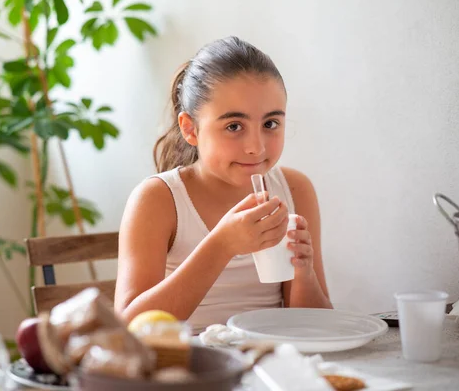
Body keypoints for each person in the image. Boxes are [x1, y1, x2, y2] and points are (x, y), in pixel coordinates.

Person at [114, 36, 332, 334]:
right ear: (190, 128)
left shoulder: (294, 189)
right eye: (233, 126)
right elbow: (129, 327)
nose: (256, 147)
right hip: (188, 369)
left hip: (268, 365)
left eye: (270, 124)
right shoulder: (158, 199)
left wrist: (303, 272)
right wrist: (222, 245)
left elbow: (320, 328)